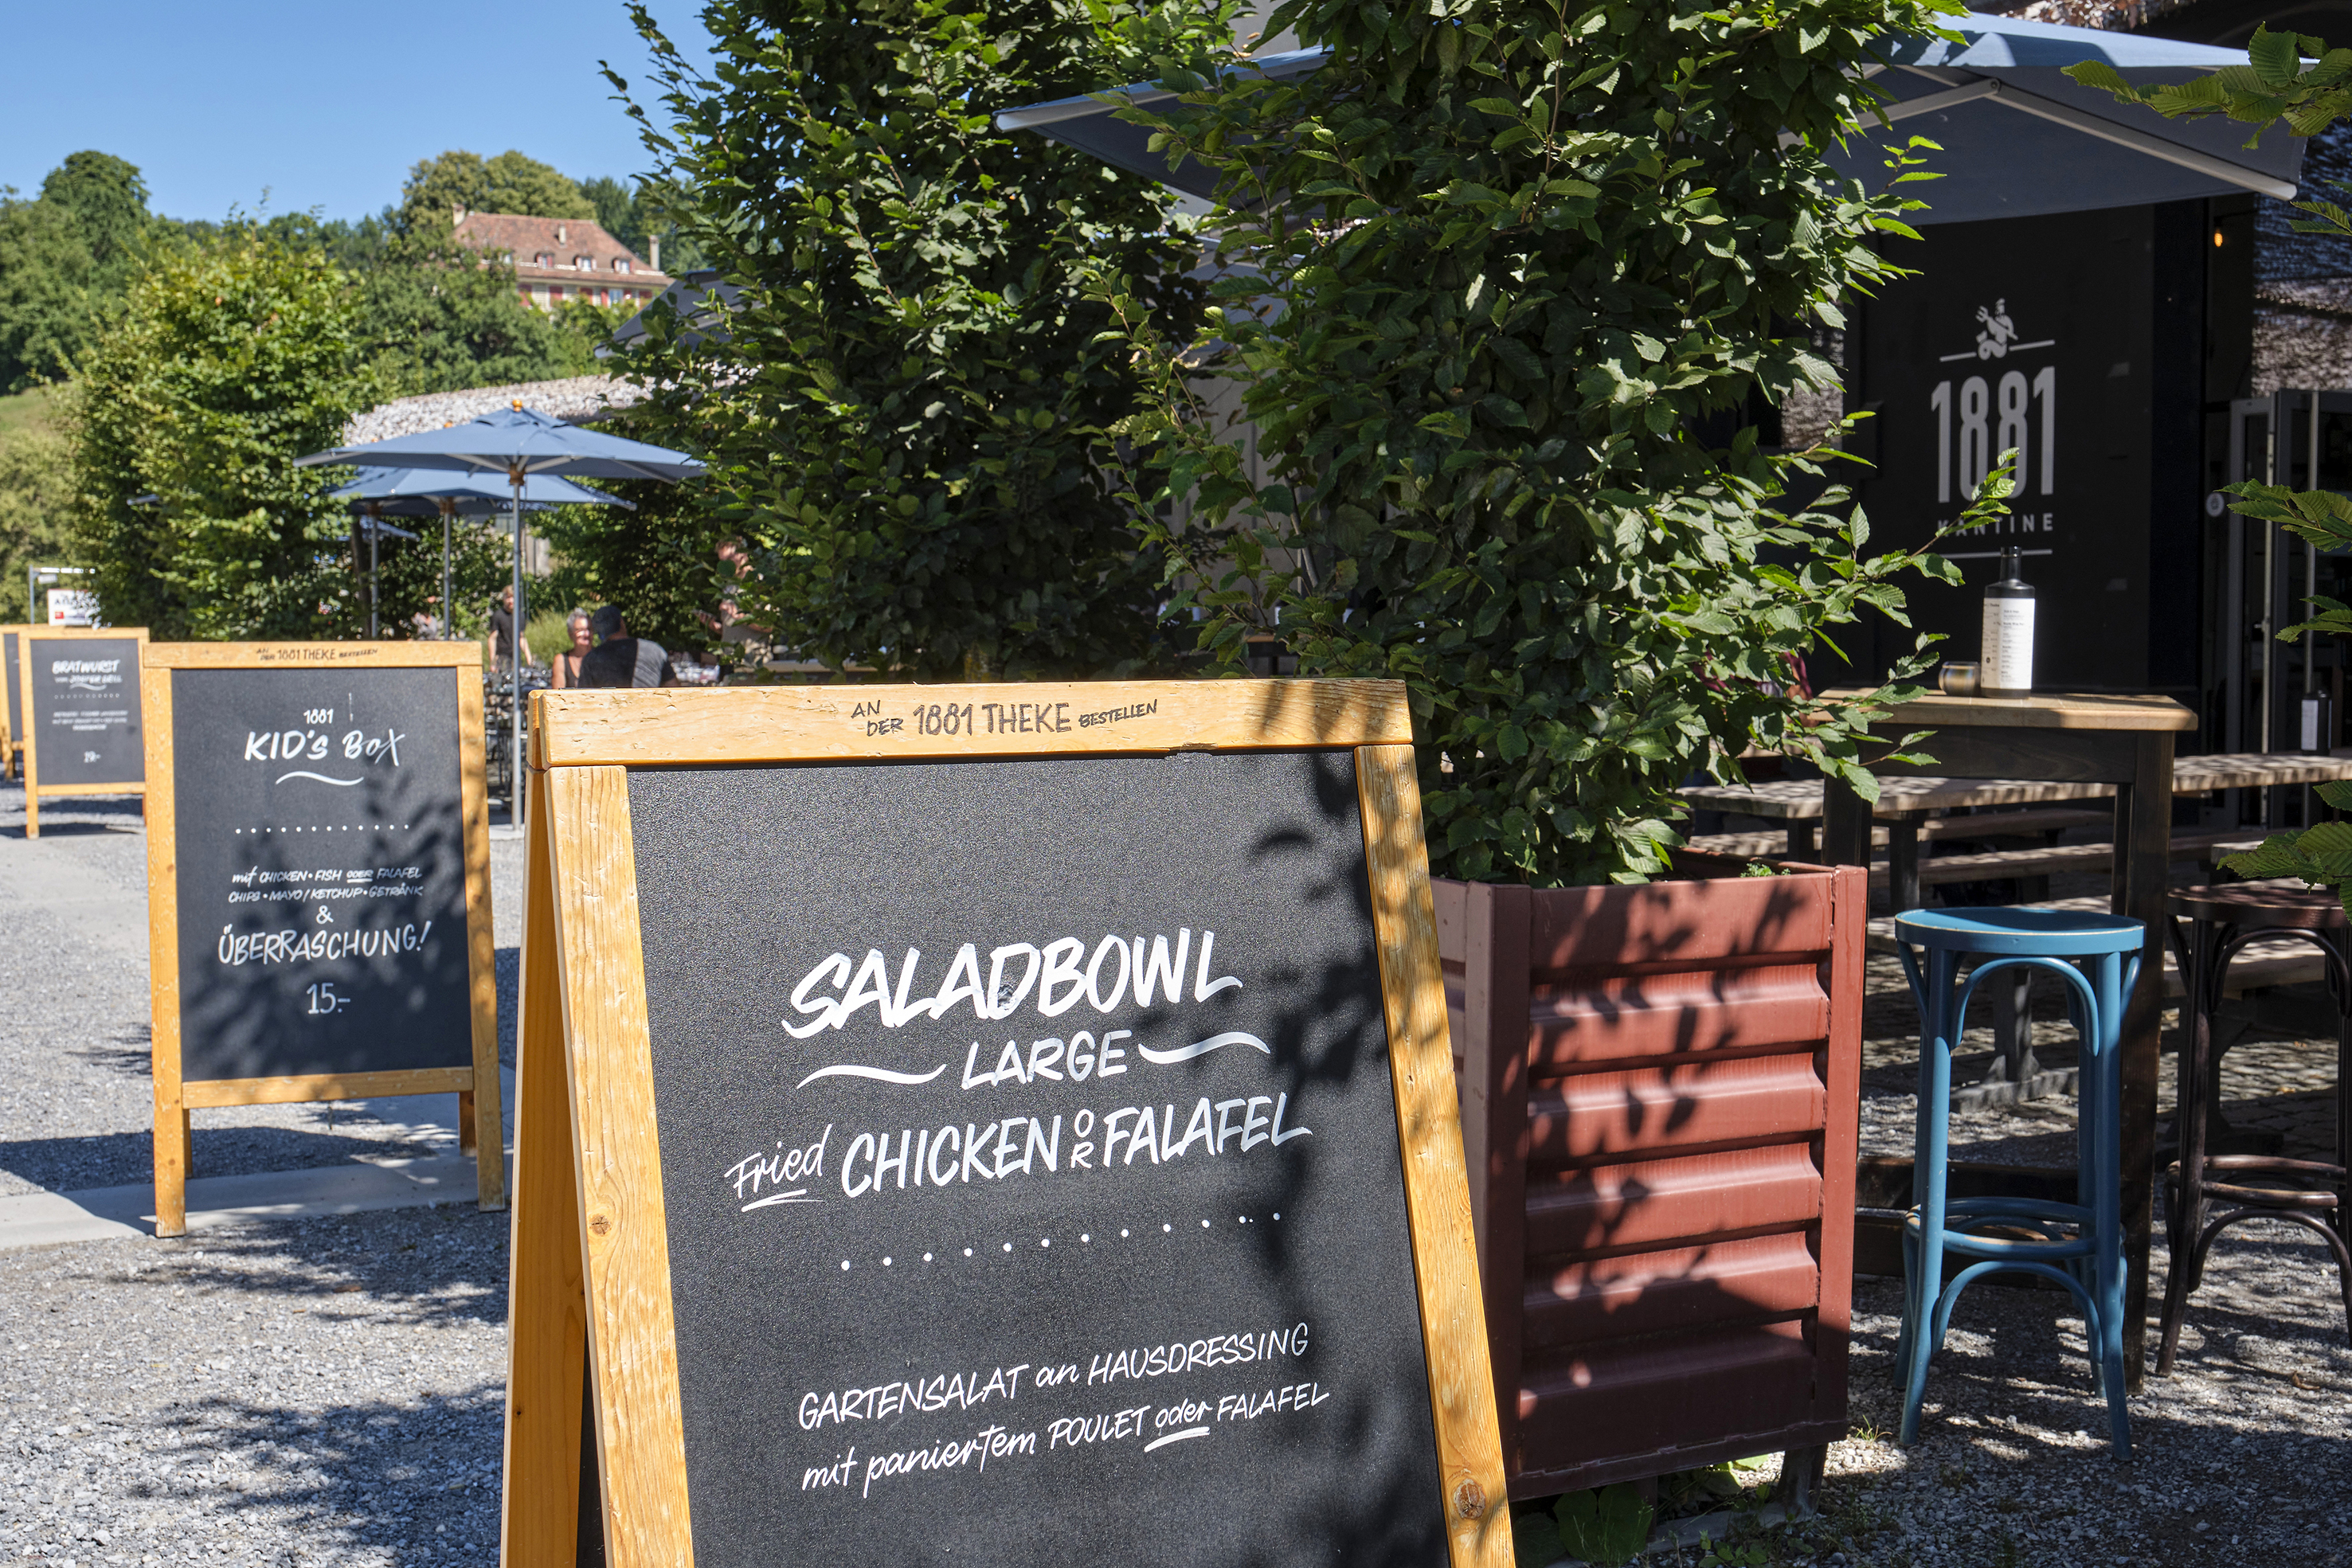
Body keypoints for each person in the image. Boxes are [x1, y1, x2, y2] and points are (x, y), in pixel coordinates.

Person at [577, 604, 679, 689]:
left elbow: (583, 697)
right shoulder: (654, 650)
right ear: (622, 623)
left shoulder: (592, 659)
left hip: (610, 713)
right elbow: (673, 688)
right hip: (649, 712)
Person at [487, 585, 538, 668]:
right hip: (502, 659)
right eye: (508, 597)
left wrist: (529, 658)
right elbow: (492, 639)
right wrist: (493, 662)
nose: (511, 601)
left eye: (513, 597)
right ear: (504, 599)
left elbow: (521, 637)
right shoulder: (498, 615)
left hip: (516, 658)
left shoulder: (520, 615)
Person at [549, 610, 593, 689]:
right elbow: (557, 697)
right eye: (581, 630)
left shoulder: (603, 658)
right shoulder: (561, 661)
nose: (587, 634)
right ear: (570, 633)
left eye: (589, 629)